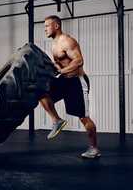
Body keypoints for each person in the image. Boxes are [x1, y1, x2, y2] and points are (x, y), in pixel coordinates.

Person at [39, 15, 101, 159]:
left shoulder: (67, 41)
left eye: (47, 26)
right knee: (41, 92)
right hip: (64, 80)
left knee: (84, 118)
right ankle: (57, 120)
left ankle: (94, 148)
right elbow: (61, 64)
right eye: (44, 26)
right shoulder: (54, 44)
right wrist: (55, 68)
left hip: (77, 81)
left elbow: (79, 61)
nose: (45, 29)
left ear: (56, 26)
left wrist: (61, 71)